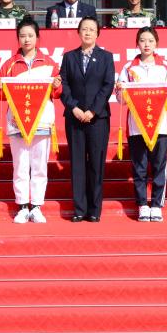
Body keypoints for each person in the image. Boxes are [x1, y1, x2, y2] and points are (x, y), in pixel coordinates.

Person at [0, 17, 62, 224]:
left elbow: (57, 92)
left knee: (39, 166)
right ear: (18, 38)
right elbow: (1, 96)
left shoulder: (49, 63)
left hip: (42, 121)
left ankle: (37, 206)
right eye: (22, 36)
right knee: (20, 166)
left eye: (30, 35)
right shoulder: (9, 64)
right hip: (17, 122)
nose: (26, 39)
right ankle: (22, 205)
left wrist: (57, 85)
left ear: (37, 37)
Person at [59, 16, 116, 222]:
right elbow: (63, 85)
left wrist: (92, 111)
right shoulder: (69, 57)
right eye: (84, 29)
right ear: (78, 32)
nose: (88, 32)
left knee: (96, 163)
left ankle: (94, 209)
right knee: (77, 163)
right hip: (74, 117)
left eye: (92, 29)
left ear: (98, 33)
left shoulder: (106, 57)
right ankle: (79, 209)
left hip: (98, 118)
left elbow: (107, 86)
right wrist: (73, 107)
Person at [117, 27, 167, 222]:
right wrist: (120, 89)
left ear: (156, 43)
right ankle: (142, 204)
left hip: (160, 125)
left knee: (159, 166)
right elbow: (120, 100)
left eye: (150, 40)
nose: (146, 44)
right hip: (136, 126)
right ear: (137, 43)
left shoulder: (165, 67)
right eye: (142, 40)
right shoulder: (129, 68)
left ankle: (157, 204)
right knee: (139, 167)